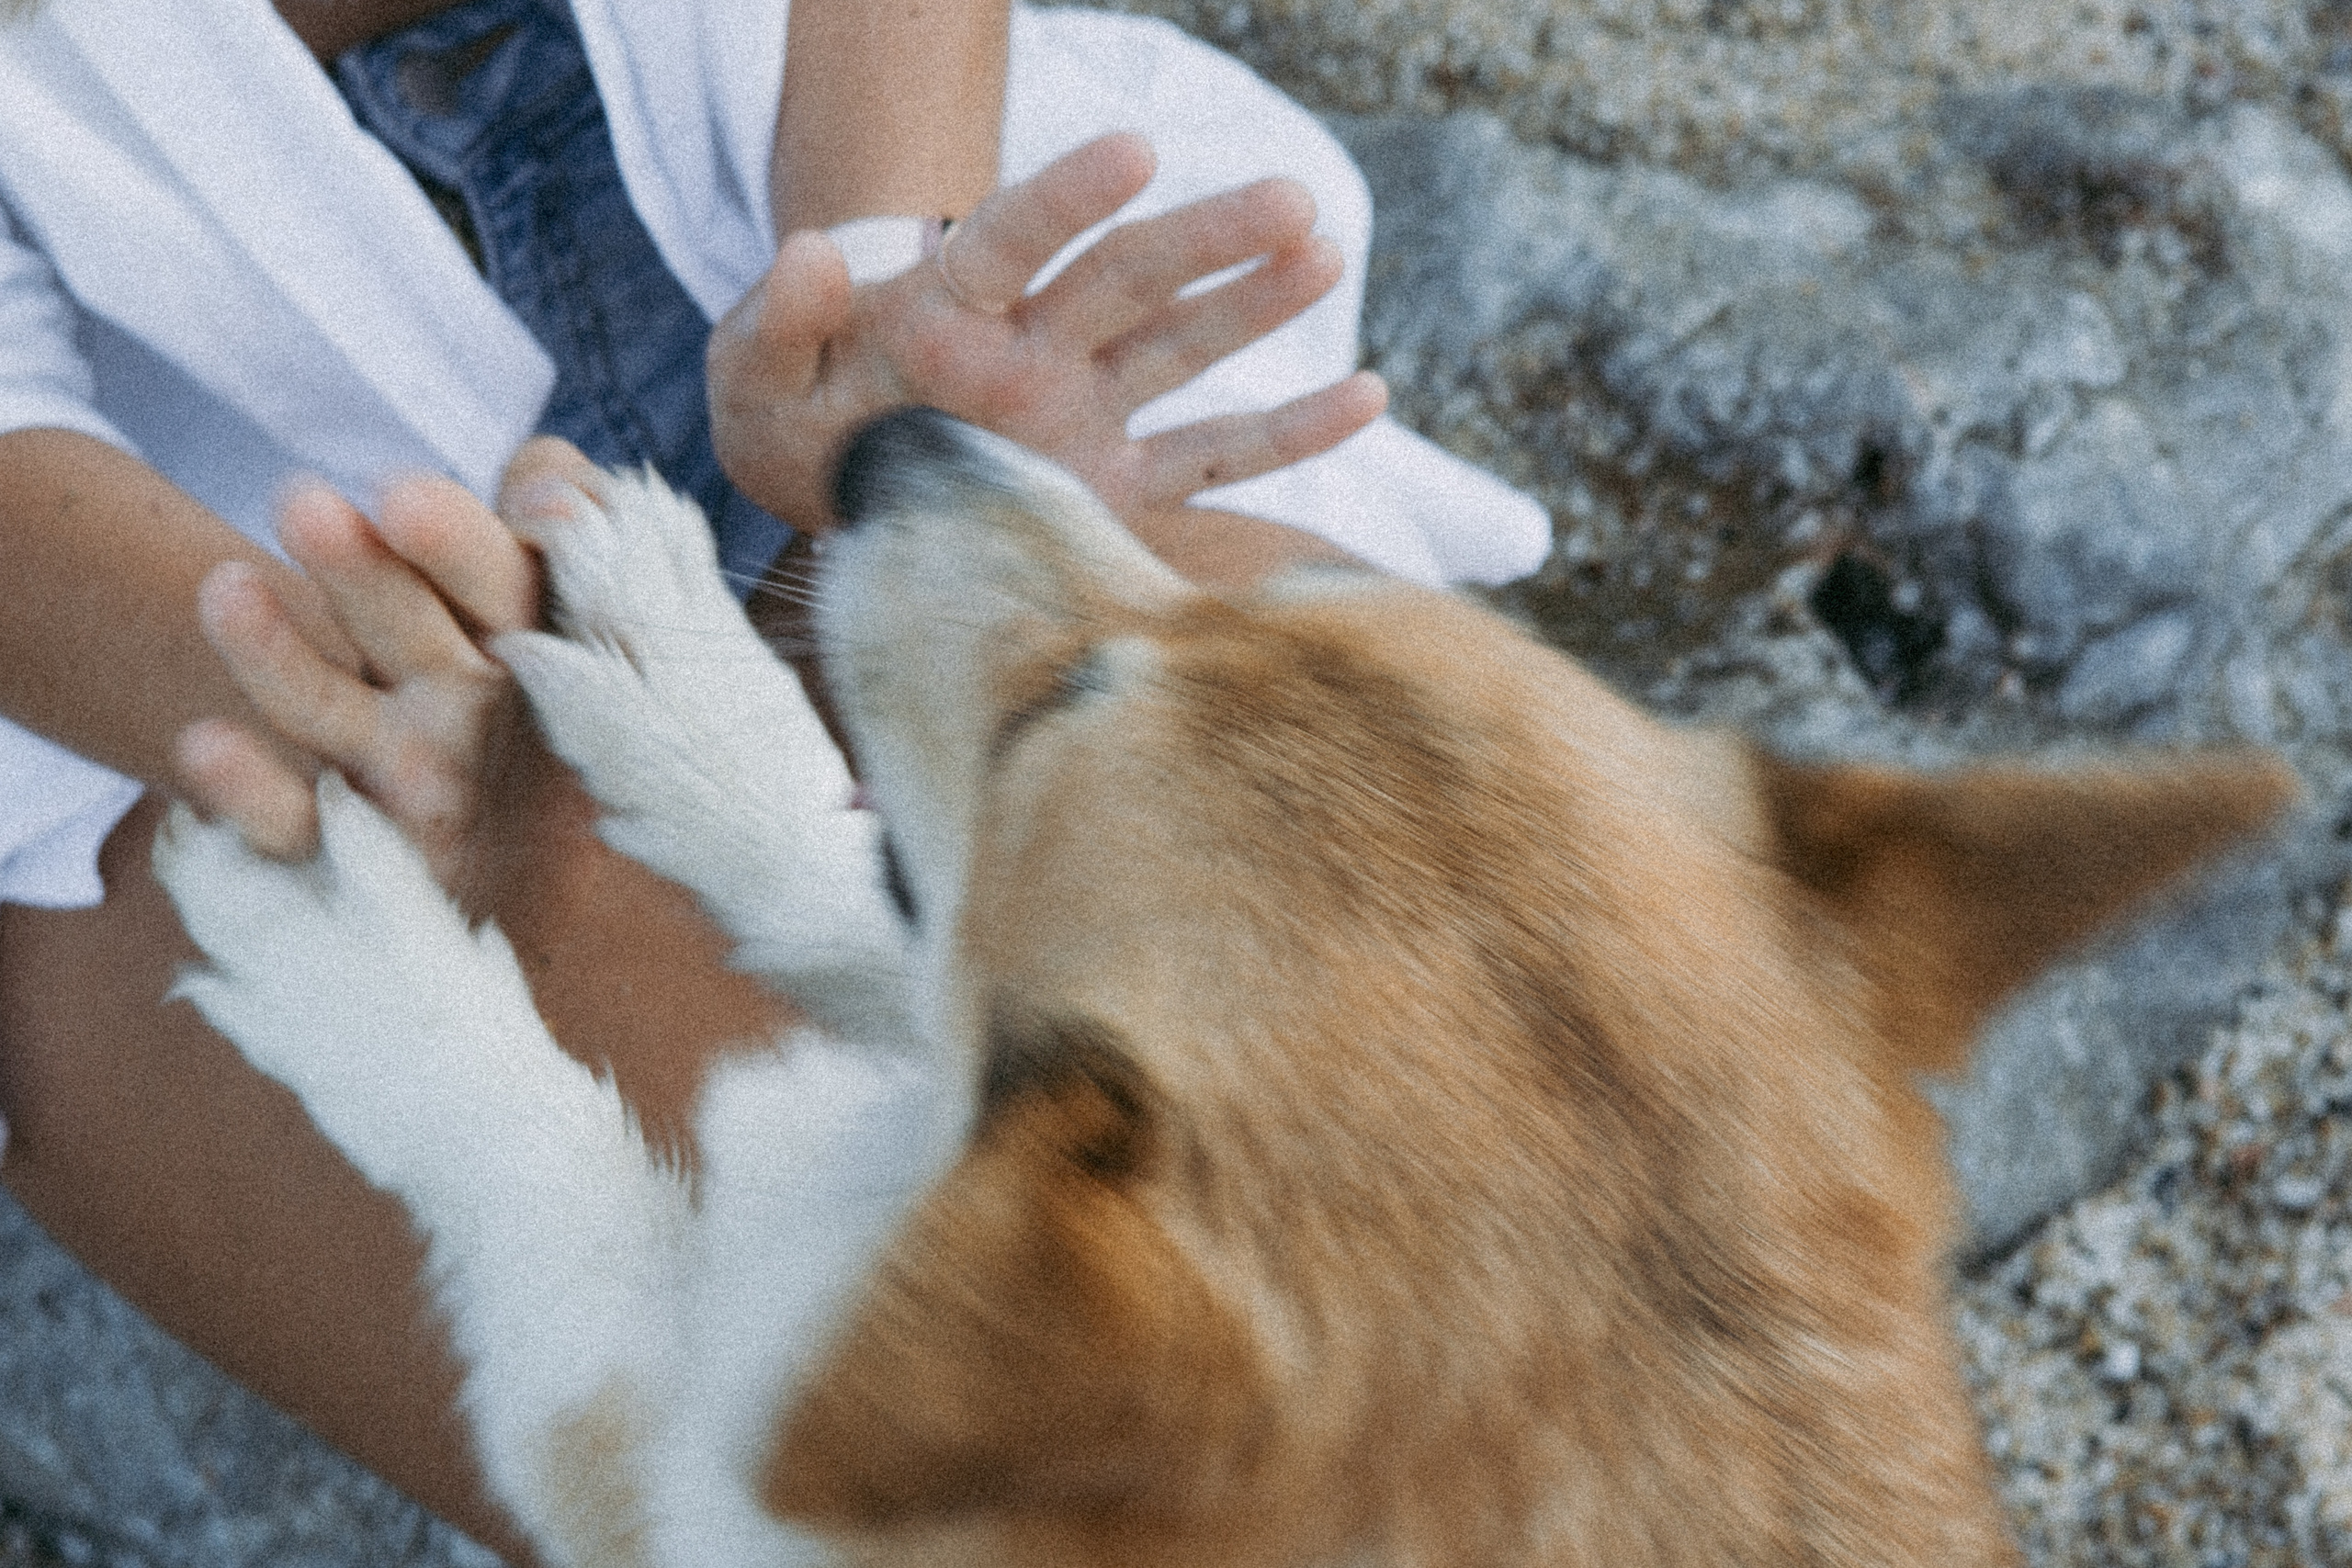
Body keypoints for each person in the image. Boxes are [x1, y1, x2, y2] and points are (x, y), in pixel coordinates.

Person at [0, 0, 1551, 1558]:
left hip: (745, 163)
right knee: (917, 1467)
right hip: (146, 569)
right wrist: (355, 702)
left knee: (1463, 1120)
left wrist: (887, 278)